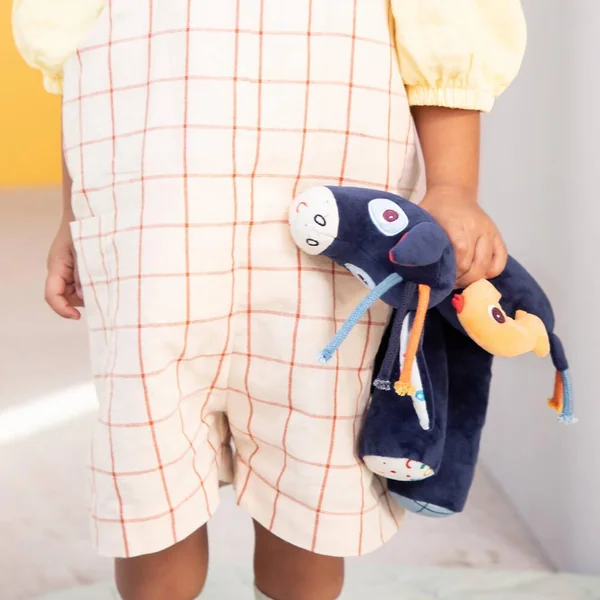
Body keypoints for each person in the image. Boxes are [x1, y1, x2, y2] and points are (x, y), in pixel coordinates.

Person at [13, 1, 526, 599]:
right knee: (149, 458)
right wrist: (73, 214)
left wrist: (453, 188)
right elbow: (82, 61)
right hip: (154, 221)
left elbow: (443, 23)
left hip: (325, 216)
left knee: (314, 457)